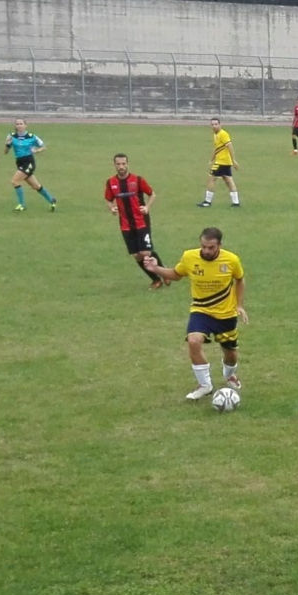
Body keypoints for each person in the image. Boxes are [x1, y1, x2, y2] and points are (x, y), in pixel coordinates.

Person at [142, 227, 247, 400]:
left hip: (226, 314)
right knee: (193, 341)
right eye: (203, 246)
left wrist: (240, 305)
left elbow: (240, 279)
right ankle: (205, 385)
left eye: (211, 247)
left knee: (230, 353)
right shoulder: (190, 257)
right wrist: (156, 269)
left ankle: (230, 375)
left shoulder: (231, 260)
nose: (206, 251)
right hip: (201, 310)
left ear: (219, 245)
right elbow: (176, 275)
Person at [104, 153, 167, 289]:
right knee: (136, 255)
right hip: (126, 224)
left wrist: (147, 207)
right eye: (118, 164)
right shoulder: (111, 182)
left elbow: (152, 194)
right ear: (114, 165)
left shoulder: (137, 180)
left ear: (128, 164)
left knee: (146, 253)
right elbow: (108, 199)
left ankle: (165, 273)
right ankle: (156, 280)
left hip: (141, 222)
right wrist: (112, 208)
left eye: (123, 164)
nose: (121, 166)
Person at [3, 119, 57, 212]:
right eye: (17, 124)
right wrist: (7, 144)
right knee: (36, 186)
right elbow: (6, 152)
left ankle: (22, 205)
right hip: (19, 162)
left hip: (28, 162)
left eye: (21, 124)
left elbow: (43, 147)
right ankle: (52, 200)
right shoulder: (11, 136)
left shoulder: (32, 137)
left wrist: (36, 150)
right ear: (15, 126)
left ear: (25, 125)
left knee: (15, 181)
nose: (19, 125)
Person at [197, 118, 240, 207]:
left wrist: (234, 160)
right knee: (228, 180)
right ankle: (236, 202)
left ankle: (207, 202)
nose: (214, 126)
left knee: (211, 179)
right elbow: (217, 148)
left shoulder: (223, 134)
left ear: (220, 124)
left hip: (222, 162)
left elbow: (230, 146)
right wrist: (212, 159)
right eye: (212, 124)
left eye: (216, 124)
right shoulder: (215, 134)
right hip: (223, 161)